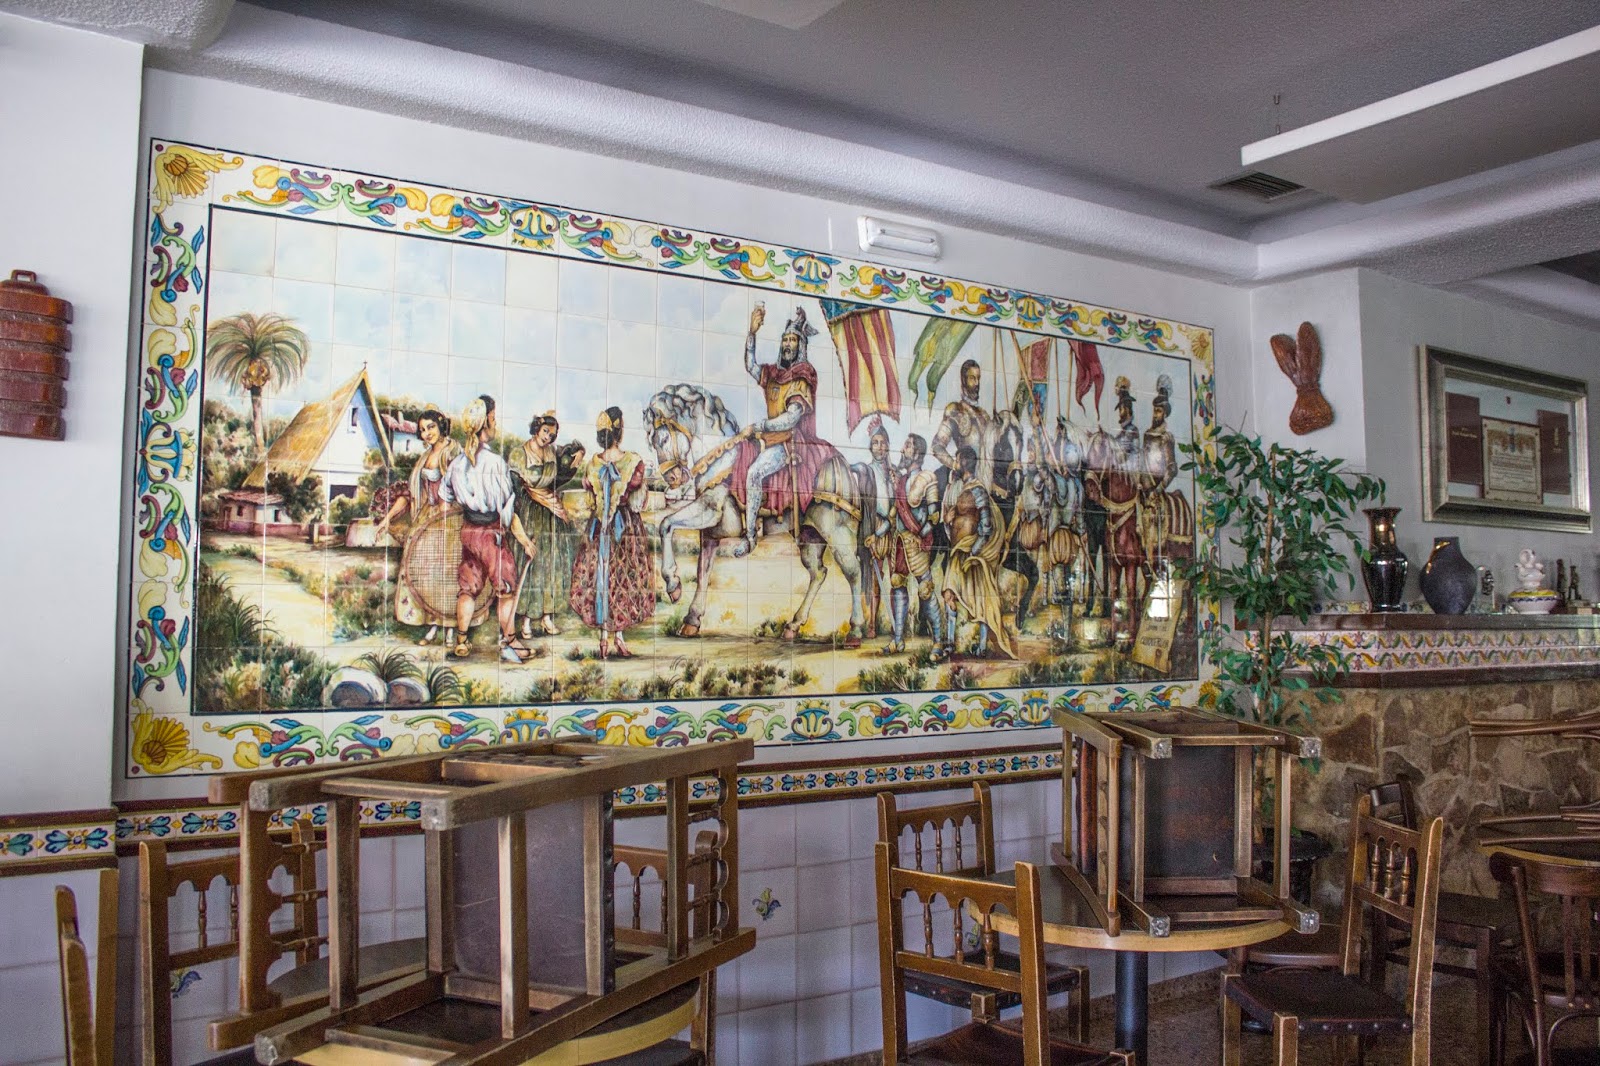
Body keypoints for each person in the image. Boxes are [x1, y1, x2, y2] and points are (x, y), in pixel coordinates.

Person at [438, 395, 538, 662]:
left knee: (468, 587)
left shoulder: (456, 464)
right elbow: (507, 512)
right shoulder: (495, 463)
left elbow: (445, 497)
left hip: (468, 532)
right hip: (491, 536)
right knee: (506, 588)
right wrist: (525, 542)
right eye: (493, 418)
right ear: (487, 422)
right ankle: (510, 642)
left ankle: (462, 641)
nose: (495, 423)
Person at [729, 303, 825, 557]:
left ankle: (750, 537)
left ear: (800, 346)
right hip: (767, 438)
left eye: (793, 340)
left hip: (787, 443)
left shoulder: (802, 377)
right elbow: (751, 366)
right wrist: (752, 333)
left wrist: (758, 426)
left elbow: (790, 420)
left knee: (754, 473)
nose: (787, 344)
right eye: (785, 339)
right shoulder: (773, 373)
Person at [569, 406, 653, 658]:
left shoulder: (593, 464)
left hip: (599, 528)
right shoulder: (633, 462)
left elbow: (590, 493)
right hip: (623, 527)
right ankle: (616, 637)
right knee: (620, 578)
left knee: (603, 576)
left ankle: (606, 638)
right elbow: (638, 496)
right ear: (620, 431)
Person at [374, 409, 462, 646]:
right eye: (422, 430)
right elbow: (409, 495)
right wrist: (387, 519)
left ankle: (451, 628)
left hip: (451, 518)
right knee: (425, 572)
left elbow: (464, 485)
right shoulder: (424, 458)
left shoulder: (454, 451)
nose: (426, 433)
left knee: (449, 573)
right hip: (427, 518)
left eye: (430, 427)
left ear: (441, 426)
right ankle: (432, 625)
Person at [510, 411, 584, 639]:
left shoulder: (553, 452)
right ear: (536, 428)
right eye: (545, 432)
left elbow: (560, 475)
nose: (547, 437)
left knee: (552, 565)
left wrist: (579, 453)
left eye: (552, 435)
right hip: (529, 515)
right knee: (532, 566)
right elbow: (514, 488)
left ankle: (547, 616)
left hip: (551, 516)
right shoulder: (519, 454)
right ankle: (526, 620)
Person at [941, 445, 1015, 660]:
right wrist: (948, 521)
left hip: (973, 556)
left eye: (957, 460)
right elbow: (956, 522)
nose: (954, 464)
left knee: (980, 600)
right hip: (958, 552)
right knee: (949, 594)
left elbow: (986, 526)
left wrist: (974, 552)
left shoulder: (978, 490)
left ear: (964, 462)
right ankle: (950, 644)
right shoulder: (961, 489)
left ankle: (982, 647)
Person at [888, 433, 943, 656]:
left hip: (918, 543)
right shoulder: (901, 482)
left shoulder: (927, 478)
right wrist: (876, 535)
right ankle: (898, 640)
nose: (903, 450)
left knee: (925, 589)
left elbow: (934, 517)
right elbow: (894, 515)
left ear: (918, 452)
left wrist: (922, 535)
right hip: (901, 543)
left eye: (908, 446)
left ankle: (938, 642)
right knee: (897, 584)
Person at [855, 417, 895, 638]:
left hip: (891, 530)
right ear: (870, 446)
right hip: (874, 528)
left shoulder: (894, 473)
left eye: (883, 442)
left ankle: (900, 626)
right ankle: (871, 624)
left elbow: (896, 507)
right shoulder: (866, 471)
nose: (879, 447)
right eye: (875, 443)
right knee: (874, 581)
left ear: (888, 445)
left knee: (897, 580)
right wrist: (873, 533)